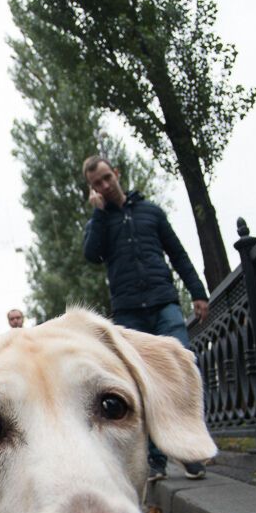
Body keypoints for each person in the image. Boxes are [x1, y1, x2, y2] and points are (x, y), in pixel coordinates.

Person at [82, 154, 209, 481]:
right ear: (90, 188)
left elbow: (177, 253)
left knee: (182, 365)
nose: (105, 186)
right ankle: (155, 459)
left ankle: (188, 448)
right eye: (97, 184)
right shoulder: (101, 222)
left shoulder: (150, 212)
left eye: (107, 178)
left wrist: (197, 292)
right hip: (127, 312)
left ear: (117, 174)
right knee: (139, 381)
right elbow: (91, 255)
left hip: (163, 301)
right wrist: (97, 215)